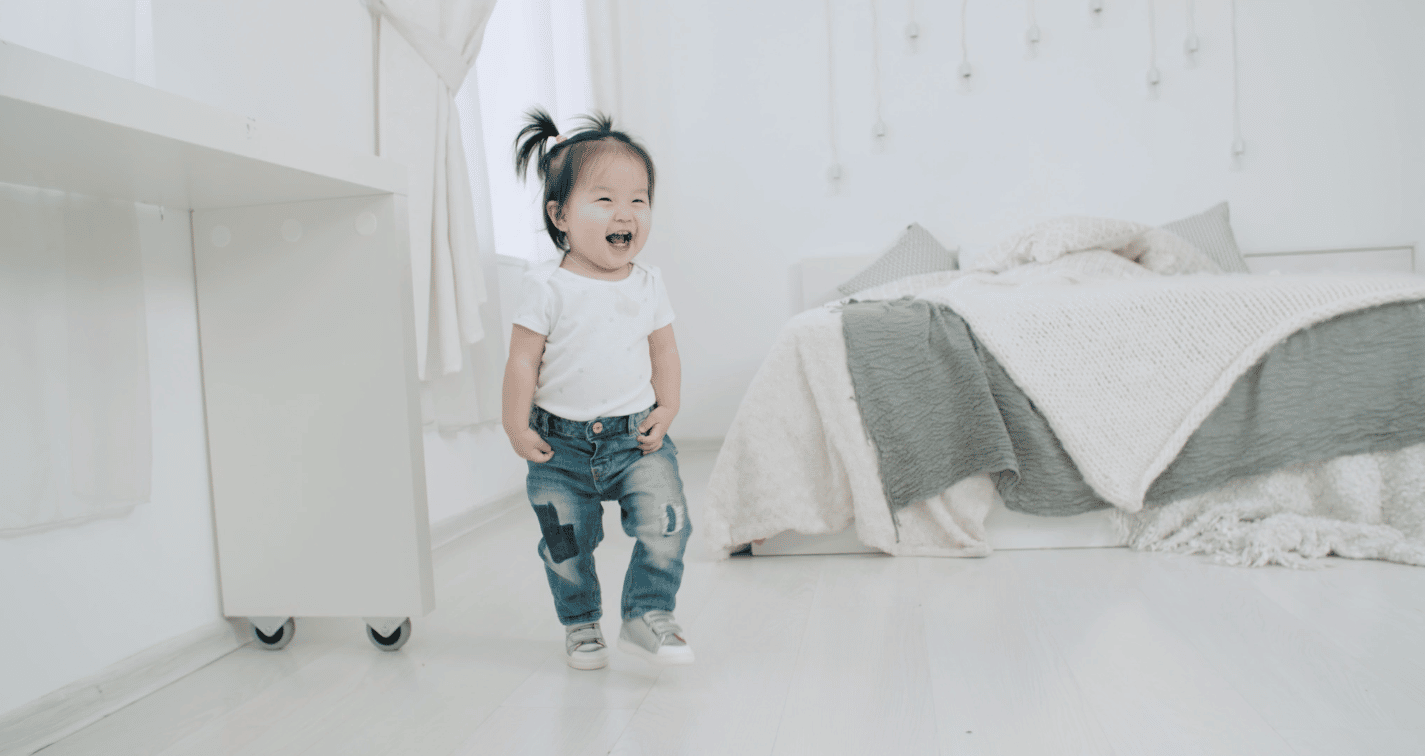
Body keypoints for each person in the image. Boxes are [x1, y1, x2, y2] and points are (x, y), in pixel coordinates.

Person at [503, 107, 694, 670]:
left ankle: (647, 611)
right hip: (558, 446)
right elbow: (522, 361)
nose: (627, 213)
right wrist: (516, 424)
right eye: (606, 199)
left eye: (639, 199)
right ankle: (581, 622)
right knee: (566, 546)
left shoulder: (648, 282)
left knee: (668, 522)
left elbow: (665, 350)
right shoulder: (545, 285)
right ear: (559, 215)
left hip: (635, 438)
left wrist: (671, 405)